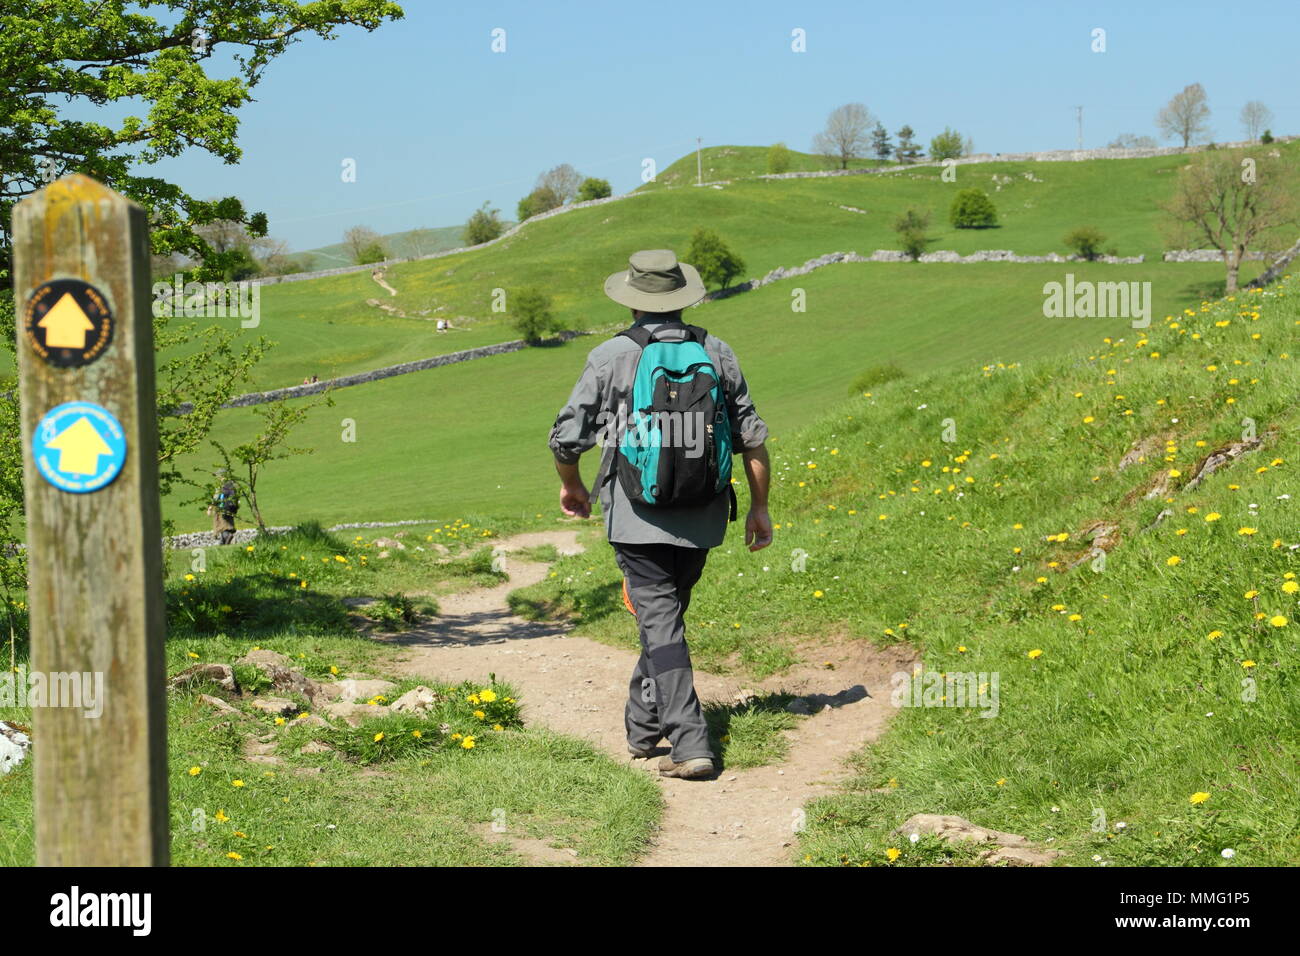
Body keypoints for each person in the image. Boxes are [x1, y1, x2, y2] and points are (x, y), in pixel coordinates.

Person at [548, 249, 773, 780]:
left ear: (631, 304)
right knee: (663, 622)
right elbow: (753, 441)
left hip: (634, 514)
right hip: (703, 513)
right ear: (681, 299)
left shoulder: (609, 357)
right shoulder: (716, 351)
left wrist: (574, 487)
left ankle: (692, 743)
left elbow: (566, 438)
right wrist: (759, 509)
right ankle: (642, 725)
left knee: (661, 625)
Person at [209, 477, 239, 545]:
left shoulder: (222, 486)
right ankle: (223, 542)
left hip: (221, 509)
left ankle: (228, 537)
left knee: (222, 526)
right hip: (230, 509)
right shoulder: (232, 485)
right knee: (227, 526)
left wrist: (210, 508)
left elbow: (216, 498)